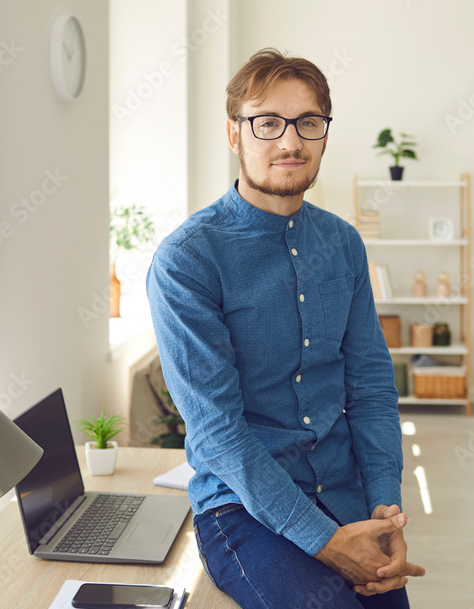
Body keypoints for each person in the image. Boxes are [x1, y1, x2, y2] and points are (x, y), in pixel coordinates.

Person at [146, 48, 424, 609]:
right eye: (267, 122)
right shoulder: (188, 260)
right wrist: (325, 541)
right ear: (234, 134)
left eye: (308, 123)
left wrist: (383, 509)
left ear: (324, 132)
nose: (290, 142)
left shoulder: (342, 243)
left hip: (345, 493)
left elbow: (369, 387)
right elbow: (218, 432)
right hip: (242, 510)